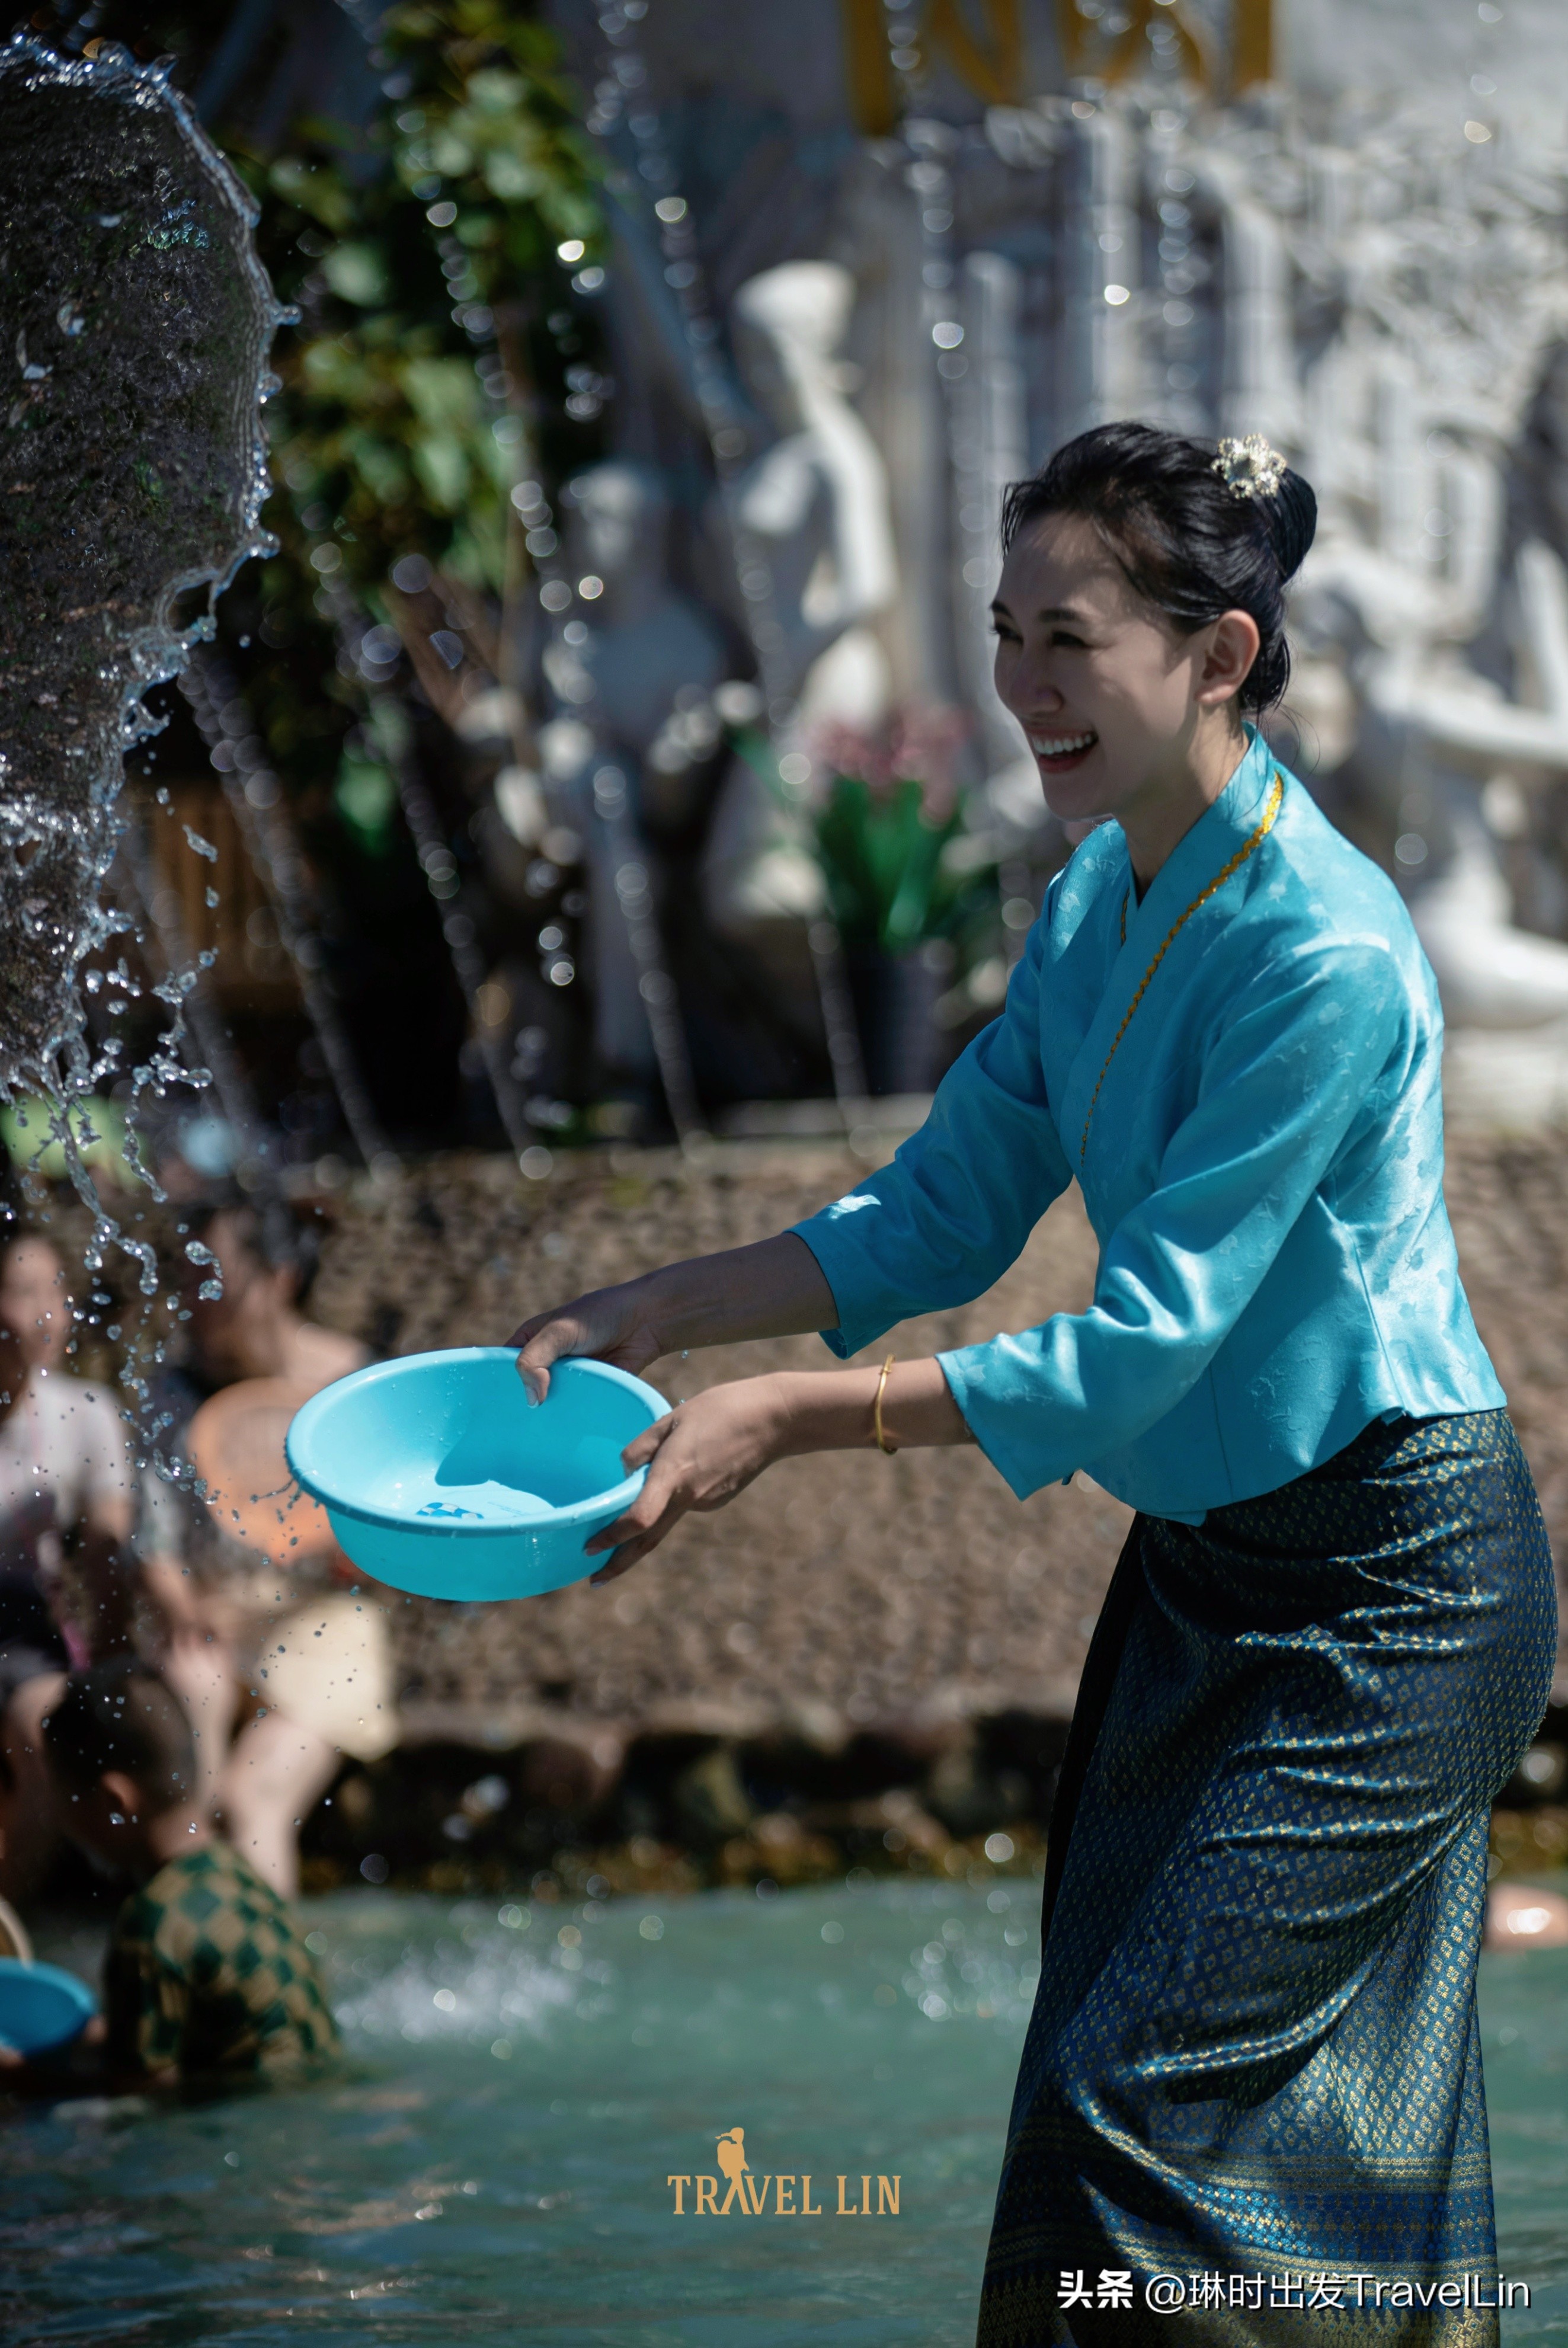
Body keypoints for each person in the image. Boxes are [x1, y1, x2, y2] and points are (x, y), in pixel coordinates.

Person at [508, 424, 1557, 2346]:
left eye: (1064, 636)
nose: (1019, 684)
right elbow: (926, 1219)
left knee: (1133, 2100)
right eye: (1005, 631)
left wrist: (785, 1419)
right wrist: (654, 1306)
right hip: (1203, 1579)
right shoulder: (1086, 906)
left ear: (1218, 656)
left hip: (1397, 1594)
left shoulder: (1322, 950)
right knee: (1135, 2100)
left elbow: (1147, 1339)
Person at [139, 1195, 390, 1898]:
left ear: (278, 1277)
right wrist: (184, 1610)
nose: (195, 1297)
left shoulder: (354, 1383)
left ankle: (269, 1991)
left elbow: (395, 1543)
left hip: (328, 1627)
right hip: (209, 1628)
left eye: (212, 1275)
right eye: (184, 1276)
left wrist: (349, 1556)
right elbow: (151, 1538)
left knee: (253, 1802)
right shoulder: (171, 1391)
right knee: (190, 1801)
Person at [39, 1658, 337, 2085]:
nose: (55, 1816)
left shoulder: (152, 1927)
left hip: (247, 2130)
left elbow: (138, 2089)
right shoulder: (239, 1873)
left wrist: (21, 2079)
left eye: (62, 1798)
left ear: (114, 1805)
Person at [0, 1228, 137, 1902]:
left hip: (36, 1635)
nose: (41, 1314)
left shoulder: (85, 1411)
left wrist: (110, 1673)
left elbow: (107, 1547)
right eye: (21, 1293)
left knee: (50, 1722)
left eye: (51, 1291)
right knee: (40, 1720)